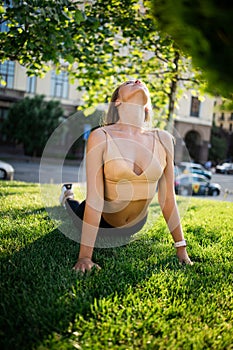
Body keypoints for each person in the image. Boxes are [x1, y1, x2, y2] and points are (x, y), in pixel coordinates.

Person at [60, 79, 193, 272]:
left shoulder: (164, 139)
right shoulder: (101, 136)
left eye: (140, 82)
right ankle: (67, 197)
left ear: (147, 104)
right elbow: (96, 201)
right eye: (130, 82)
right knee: (75, 211)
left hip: (135, 225)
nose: (138, 81)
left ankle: (68, 196)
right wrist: (85, 257)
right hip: (103, 221)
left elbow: (167, 199)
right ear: (118, 101)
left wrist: (181, 249)